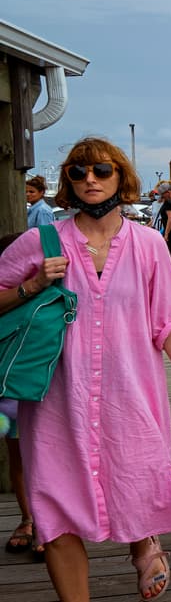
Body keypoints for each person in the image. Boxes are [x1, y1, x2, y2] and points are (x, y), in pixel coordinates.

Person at [0, 137, 171, 601]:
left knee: (136, 478)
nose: (90, 179)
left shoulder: (150, 244)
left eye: (101, 170)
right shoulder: (40, 242)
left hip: (131, 395)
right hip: (56, 402)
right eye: (78, 172)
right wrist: (32, 284)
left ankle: (145, 544)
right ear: (68, 182)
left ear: (121, 176)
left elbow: (167, 322)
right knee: (55, 512)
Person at [0, 232, 48, 561]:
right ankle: (29, 518)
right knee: (18, 452)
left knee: (48, 453)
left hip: (47, 376)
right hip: (12, 382)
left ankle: (46, 522)